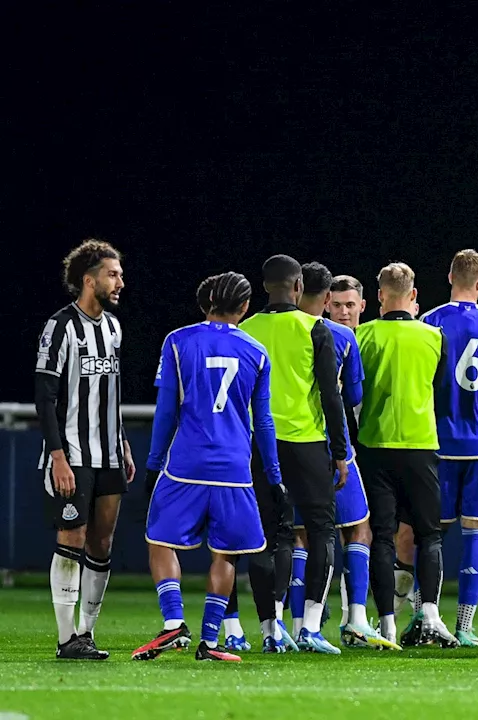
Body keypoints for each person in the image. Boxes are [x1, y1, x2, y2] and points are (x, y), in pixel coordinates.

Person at [132, 272, 281, 663]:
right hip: (234, 467)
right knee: (227, 553)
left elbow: (167, 410)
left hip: (186, 464)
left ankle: (173, 624)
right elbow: (263, 421)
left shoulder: (178, 341)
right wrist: (275, 476)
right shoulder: (256, 351)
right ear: (245, 307)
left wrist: (152, 463)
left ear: (206, 301)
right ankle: (211, 641)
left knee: (160, 540)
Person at [240, 254, 349, 654]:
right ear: (299, 286)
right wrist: (341, 451)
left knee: (270, 536)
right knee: (322, 530)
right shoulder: (314, 328)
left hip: (257, 444)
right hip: (305, 442)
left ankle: (272, 628)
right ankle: (312, 627)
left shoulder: (246, 328)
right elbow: (330, 394)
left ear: (264, 286)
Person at [35, 239, 134, 660]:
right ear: (88, 279)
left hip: (109, 451)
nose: (120, 283)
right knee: (71, 535)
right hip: (72, 453)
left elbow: (109, 392)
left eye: (120, 275)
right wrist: (57, 456)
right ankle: (65, 638)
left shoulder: (113, 327)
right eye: (113, 275)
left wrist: (123, 438)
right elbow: (44, 394)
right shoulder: (59, 327)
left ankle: (86, 634)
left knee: (103, 541)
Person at [291, 263, 395, 649]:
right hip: (333, 448)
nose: (344, 312)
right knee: (357, 528)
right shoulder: (342, 339)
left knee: (299, 535)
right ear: (326, 303)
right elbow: (351, 398)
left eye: (350, 305)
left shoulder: (276, 332)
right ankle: (354, 618)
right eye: (337, 304)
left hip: (289, 445)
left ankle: (292, 625)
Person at [356, 262, 458, 648]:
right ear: (413, 295)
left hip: (375, 445)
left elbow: (352, 391)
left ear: (380, 295)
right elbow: (442, 391)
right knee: (428, 535)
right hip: (420, 445)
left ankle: (386, 626)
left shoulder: (361, 335)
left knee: (382, 536)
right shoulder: (434, 337)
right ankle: (429, 613)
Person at [421, 250, 478, 647]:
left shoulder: (431, 322)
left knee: (430, 534)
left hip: (438, 442)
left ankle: (426, 616)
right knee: (477, 532)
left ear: (450, 276)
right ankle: (465, 625)